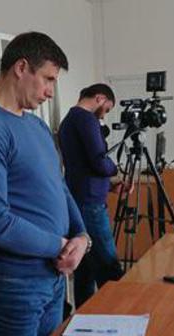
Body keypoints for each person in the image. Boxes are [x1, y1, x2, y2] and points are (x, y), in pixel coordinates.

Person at [0, 32, 90, 336]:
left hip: (51, 277)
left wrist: (81, 235)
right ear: (21, 67)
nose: (51, 92)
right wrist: (60, 245)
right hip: (12, 284)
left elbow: (59, 186)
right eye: (48, 79)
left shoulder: (36, 125)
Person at [57, 83, 126, 308]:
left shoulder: (68, 120)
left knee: (85, 267)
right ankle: (120, 313)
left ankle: (85, 318)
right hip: (91, 205)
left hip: (79, 199)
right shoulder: (86, 119)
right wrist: (116, 169)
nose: (104, 114)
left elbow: (81, 169)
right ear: (99, 98)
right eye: (106, 108)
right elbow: (99, 162)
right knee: (110, 267)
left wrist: (109, 187)